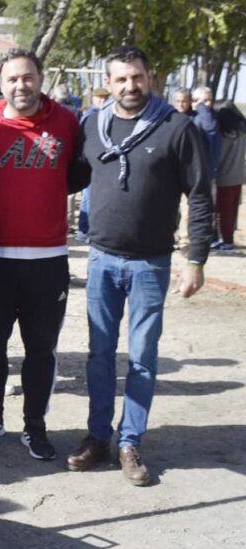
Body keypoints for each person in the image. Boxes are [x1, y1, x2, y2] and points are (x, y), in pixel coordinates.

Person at [69, 46, 213, 485]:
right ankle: (97, 437)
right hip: (101, 260)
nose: (130, 86)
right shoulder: (93, 125)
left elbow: (201, 196)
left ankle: (130, 441)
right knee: (98, 356)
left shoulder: (177, 128)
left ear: (151, 77)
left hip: (151, 264)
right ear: (108, 83)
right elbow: (70, 176)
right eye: (121, 79)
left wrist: (196, 259)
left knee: (144, 358)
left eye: (137, 77)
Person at [0, 48, 87, 459]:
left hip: (48, 260)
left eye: (28, 77)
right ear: (1, 84)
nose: (21, 85)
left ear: (41, 79)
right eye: (13, 79)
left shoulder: (68, 123)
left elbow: (75, 176)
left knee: (40, 349)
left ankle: (35, 427)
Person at [77, 88, 112, 242]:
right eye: (99, 97)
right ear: (93, 98)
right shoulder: (91, 116)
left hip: (98, 160)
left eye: (105, 97)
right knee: (89, 196)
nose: (102, 100)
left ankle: (86, 229)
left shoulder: (103, 114)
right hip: (90, 160)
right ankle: (86, 230)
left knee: (90, 196)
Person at [214, 101, 245, 250]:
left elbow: (219, 157)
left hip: (224, 177)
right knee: (232, 211)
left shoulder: (223, 134)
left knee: (224, 212)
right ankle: (228, 238)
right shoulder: (241, 131)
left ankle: (226, 241)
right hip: (238, 175)